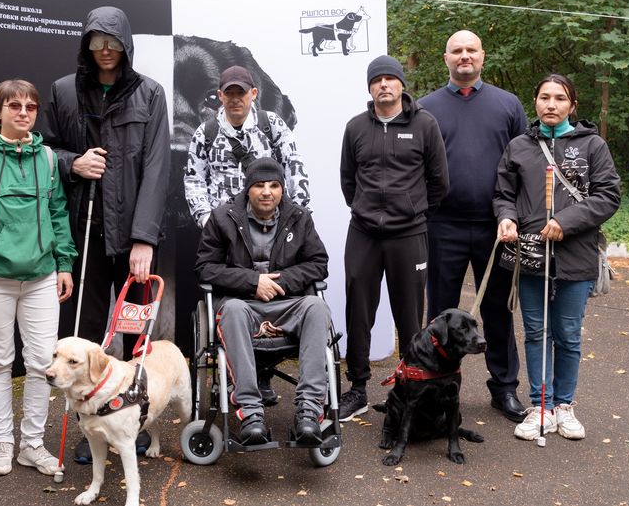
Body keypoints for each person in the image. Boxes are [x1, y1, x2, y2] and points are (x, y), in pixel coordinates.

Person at [41, 5, 170, 463]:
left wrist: (144, 239)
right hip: (85, 233)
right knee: (85, 334)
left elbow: (157, 168)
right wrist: (71, 163)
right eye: (97, 43)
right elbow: (45, 151)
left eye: (113, 43)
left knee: (136, 337)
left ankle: (134, 418)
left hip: (132, 236)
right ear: (86, 45)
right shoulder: (63, 91)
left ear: (126, 45)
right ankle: (90, 424)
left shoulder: (150, 94)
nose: (106, 51)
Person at [0, 79, 77, 477]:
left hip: (40, 277)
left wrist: (64, 264)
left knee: (43, 364)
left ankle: (32, 445)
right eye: (15, 106)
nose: (23, 113)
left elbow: (58, 214)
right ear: (0, 111)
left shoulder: (48, 160)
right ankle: (4, 443)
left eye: (30, 107)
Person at [494, 74, 620, 441]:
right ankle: (540, 406)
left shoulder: (592, 145)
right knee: (535, 332)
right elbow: (503, 192)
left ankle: (564, 405)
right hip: (530, 254)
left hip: (577, 255)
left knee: (566, 334)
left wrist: (565, 221)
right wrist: (506, 217)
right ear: (534, 102)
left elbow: (608, 195)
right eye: (545, 97)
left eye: (559, 98)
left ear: (572, 105)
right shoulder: (519, 146)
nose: (551, 104)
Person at [419, 30, 529, 423]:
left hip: (496, 228)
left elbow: (526, 164)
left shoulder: (508, 105)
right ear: (445, 58)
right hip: (441, 226)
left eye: (471, 50)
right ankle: (437, 390)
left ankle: (504, 389)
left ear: (483, 56)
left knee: (498, 310)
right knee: (442, 315)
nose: (464, 57)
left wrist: (516, 215)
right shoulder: (425, 108)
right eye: (456, 51)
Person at [338, 54, 449, 421]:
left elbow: (439, 182)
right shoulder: (356, 127)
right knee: (358, 313)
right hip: (364, 234)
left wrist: (413, 213)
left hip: (409, 235)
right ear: (369, 88)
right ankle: (357, 388)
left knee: (409, 315)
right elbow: (348, 180)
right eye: (377, 80)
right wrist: (367, 212)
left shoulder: (425, 125)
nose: (383, 85)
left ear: (402, 84)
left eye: (390, 78)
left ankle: (409, 387)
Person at [195, 158, 332, 446]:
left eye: (274, 185)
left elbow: (319, 264)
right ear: (248, 189)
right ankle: (251, 414)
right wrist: (252, 282)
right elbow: (205, 268)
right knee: (231, 309)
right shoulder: (223, 219)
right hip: (242, 306)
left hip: (287, 304)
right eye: (259, 185)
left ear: (282, 189)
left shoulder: (299, 217)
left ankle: (310, 411)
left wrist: (279, 283)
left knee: (317, 307)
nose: (267, 192)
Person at [184, 65, 309, 228]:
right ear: (220, 96)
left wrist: (298, 215)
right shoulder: (206, 132)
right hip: (223, 229)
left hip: (269, 226)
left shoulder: (271, 125)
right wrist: (206, 219)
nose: (235, 99)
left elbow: (294, 167)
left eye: (241, 92)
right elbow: (194, 178)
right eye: (229, 93)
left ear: (254, 93)